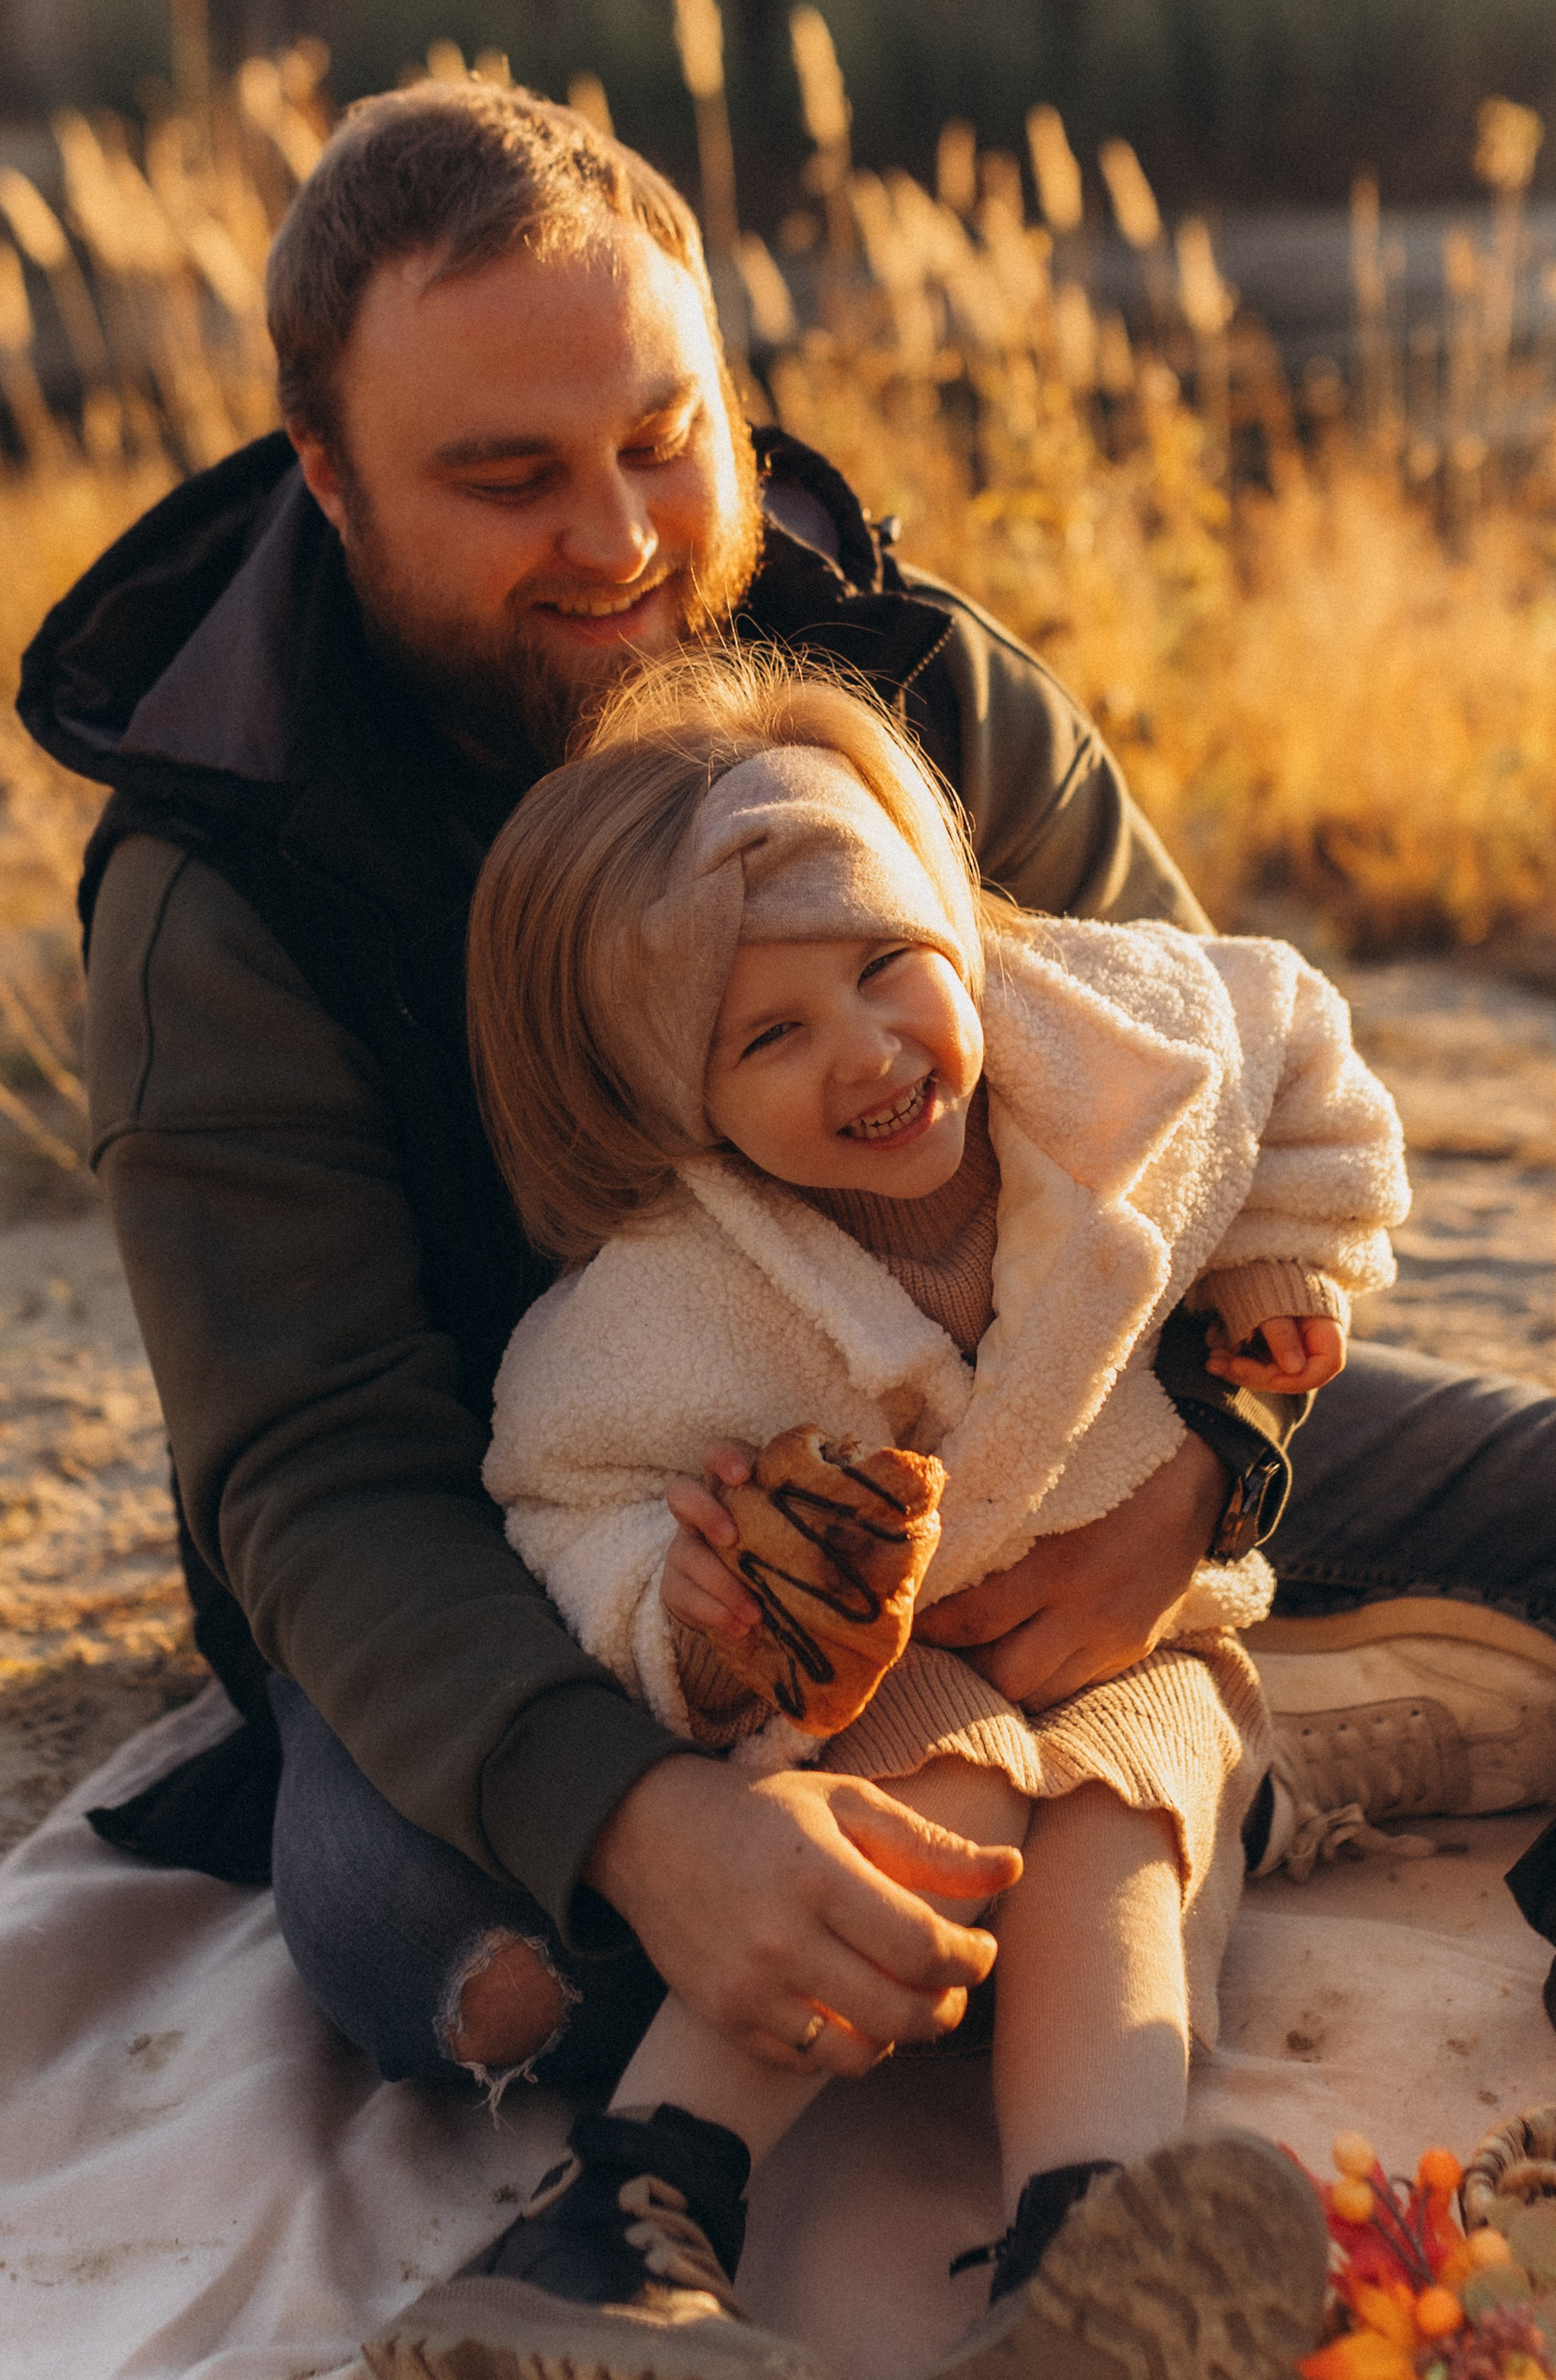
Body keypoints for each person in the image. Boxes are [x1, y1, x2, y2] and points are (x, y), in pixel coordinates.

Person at [12, 68, 1554, 2360]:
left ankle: (1110, 1892)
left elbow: (1218, 1112)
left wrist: (1211, 1472)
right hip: (543, 1545)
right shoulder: (223, 880)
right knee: (438, 1935)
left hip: (1058, 1422)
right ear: (330, 483)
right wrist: (650, 1810)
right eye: (508, 476)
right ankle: (645, 2202)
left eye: (665, 430)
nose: (625, 533)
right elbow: (316, 1476)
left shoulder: (909, 678)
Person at [373, 643, 1400, 2379]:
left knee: (1124, 1834)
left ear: (949, 910)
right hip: (897, 1673)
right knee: (917, 1800)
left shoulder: (1113, 1048)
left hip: (1146, 1627)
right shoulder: (672, 1297)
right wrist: (688, 1619)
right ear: (671, 1094)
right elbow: (560, 1491)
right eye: (771, 1033)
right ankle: (615, 2233)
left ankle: (1095, 2261)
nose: (870, 1053)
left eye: (888, 966)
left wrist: (1288, 1259)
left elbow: (1299, 1041)